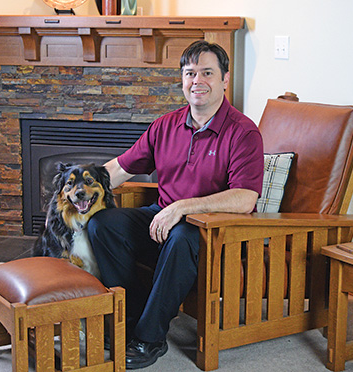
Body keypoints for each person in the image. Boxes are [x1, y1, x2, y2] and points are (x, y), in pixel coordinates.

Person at [88, 40, 264, 369]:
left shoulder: (243, 133)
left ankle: (150, 338)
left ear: (225, 79)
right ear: (182, 80)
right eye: (190, 73)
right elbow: (120, 168)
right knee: (103, 225)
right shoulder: (166, 125)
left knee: (183, 237)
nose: (197, 81)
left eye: (207, 73)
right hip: (163, 219)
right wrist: (82, 189)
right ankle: (135, 315)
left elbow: (246, 197)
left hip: (215, 231)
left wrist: (182, 207)